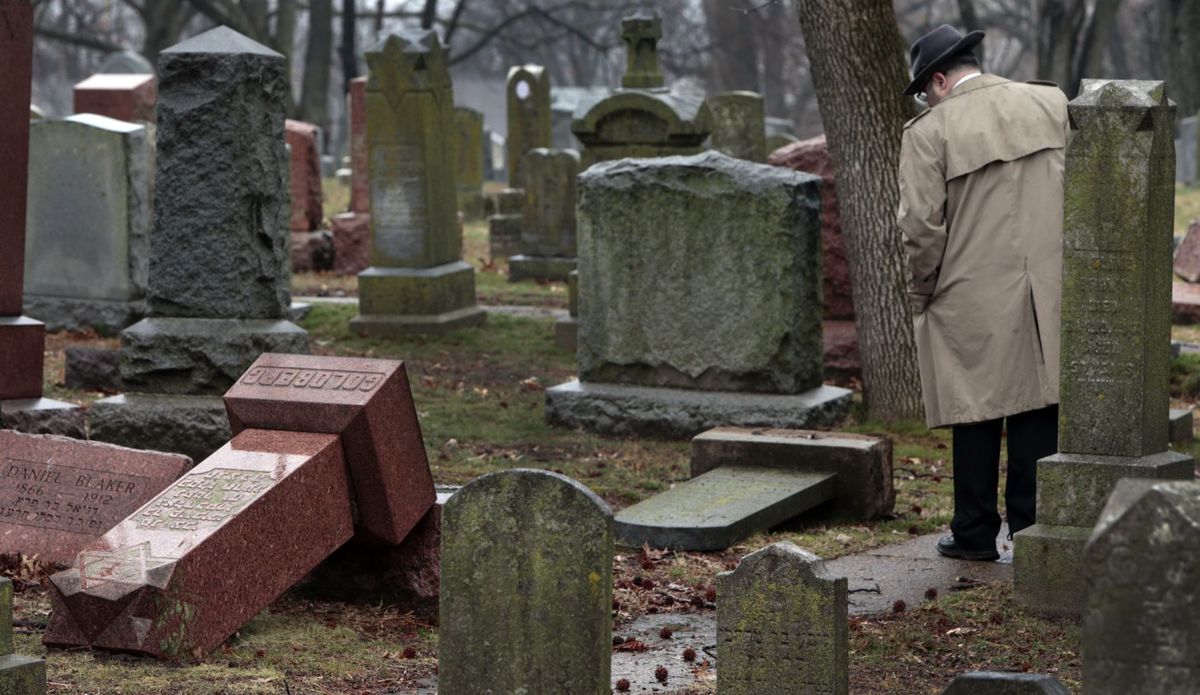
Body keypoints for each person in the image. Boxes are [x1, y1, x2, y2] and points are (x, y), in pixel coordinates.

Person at [895, 25, 1069, 561]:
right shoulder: (1050, 102)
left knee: (974, 411)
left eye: (925, 90)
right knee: (1038, 402)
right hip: (1048, 282)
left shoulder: (928, 132)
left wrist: (921, 292)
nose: (927, 98)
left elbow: (921, 229)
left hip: (967, 287)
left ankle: (973, 533)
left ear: (940, 80)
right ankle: (1033, 530)